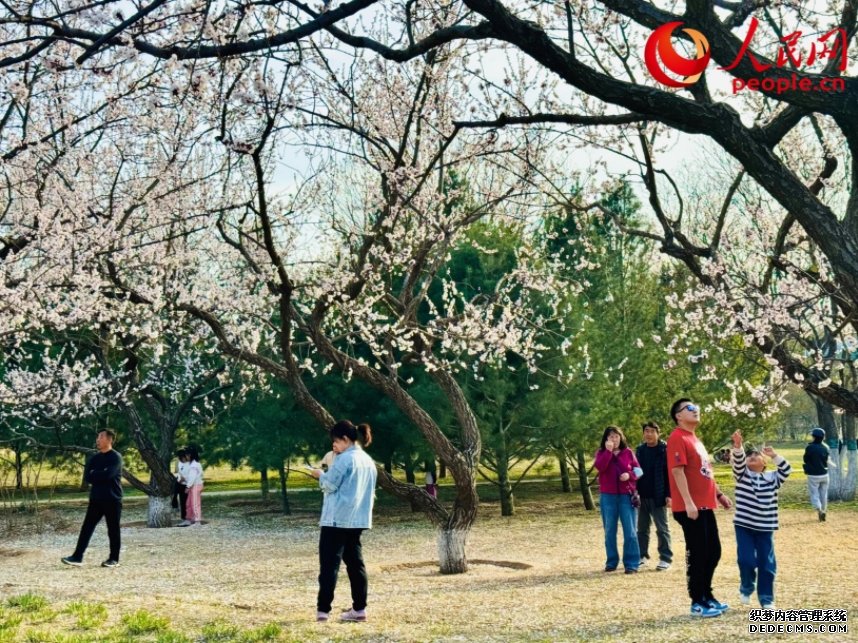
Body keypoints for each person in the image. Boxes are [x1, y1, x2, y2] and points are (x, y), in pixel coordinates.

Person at [667, 399, 733, 618]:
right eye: (690, 408)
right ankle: (697, 602)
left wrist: (720, 494)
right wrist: (687, 502)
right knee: (698, 553)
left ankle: (707, 595)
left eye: (697, 407)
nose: (696, 411)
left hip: (705, 504)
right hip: (690, 507)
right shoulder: (677, 437)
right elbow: (678, 472)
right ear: (678, 416)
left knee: (713, 552)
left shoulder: (695, 439)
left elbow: (706, 472)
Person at [309, 420, 377, 623]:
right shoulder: (367, 461)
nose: (334, 446)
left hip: (336, 520)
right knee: (356, 565)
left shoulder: (344, 459)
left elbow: (329, 485)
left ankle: (323, 610)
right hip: (357, 519)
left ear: (346, 439)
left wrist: (320, 474)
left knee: (329, 566)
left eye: (336, 442)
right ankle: (359, 608)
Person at [730, 430, 791, 609]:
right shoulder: (742, 475)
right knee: (746, 560)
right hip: (744, 525)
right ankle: (747, 586)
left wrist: (774, 456)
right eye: (750, 456)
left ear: (764, 463)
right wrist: (738, 446)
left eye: (757, 455)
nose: (752, 456)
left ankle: (766, 598)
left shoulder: (773, 477)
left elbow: (786, 470)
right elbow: (739, 462)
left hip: (765, 527)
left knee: (766, 563)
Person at [61, 429, 123, 568]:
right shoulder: (94, 458)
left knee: (113, 529)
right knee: (87, 527)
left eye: (101, 437)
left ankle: (114, 559)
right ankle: (77, 556)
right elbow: (87, 477)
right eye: (97, 437)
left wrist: (97, 473)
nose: (97, 440)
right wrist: (99, 473)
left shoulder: (115, 457)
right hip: (96, 499)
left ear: (109, 439)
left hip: (112, 499)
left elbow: (109, 475)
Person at [594, 425, 641, 574]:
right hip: (608, 496)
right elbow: (600, 467)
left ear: (621, 437)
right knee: (609, 530)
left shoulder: (628, 453)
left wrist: (629, 475)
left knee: (630, 531)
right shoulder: (601, 453)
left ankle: (631, 563)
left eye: (616, 436)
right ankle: (611, 562)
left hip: (626, 496)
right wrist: (608, 452)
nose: (614, 439)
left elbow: (638, 471)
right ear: (606, 439)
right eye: (611, 436)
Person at [635, 421, 673, 571]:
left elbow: (670, 474)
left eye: (652, 431)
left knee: (662, 529)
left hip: (659, 496)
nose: (649, 434)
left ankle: (665, 558)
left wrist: (669, 495)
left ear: (658, 433)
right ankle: (642, 555)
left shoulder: (665, 450)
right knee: (642, 529)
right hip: (642, 495)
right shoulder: (640, 450)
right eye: (646, 431)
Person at [803, 427, 830, 522]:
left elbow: (805, 459)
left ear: (814, 436)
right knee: (824, 494)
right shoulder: (826, 447)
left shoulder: (810, 447)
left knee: (814, 493)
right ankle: (824, 510)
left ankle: (819, 509)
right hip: (825, 474)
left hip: (813, 475)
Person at [178, 447, 204, 527]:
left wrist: (188, 486)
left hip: (195, 486)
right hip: (192, 486)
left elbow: (192, 478)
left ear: (190, 455)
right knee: (188, 503)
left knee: (195, 503)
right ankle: (189, 519)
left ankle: (197, 521)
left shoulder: (194, 465)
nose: (186, 457)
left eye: (187, 455)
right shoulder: (191, 464)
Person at [171, 448, 189, 522]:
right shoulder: (179, 462)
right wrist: (180, 477)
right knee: (175, 494)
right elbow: (178, 471)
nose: (182, 460)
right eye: (180, 458)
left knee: (184, 500)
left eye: (183, 458)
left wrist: (185, 479)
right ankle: (175, 507)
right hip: (179, 482)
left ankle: (186, 517)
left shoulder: (190, 464)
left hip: (186, 484)